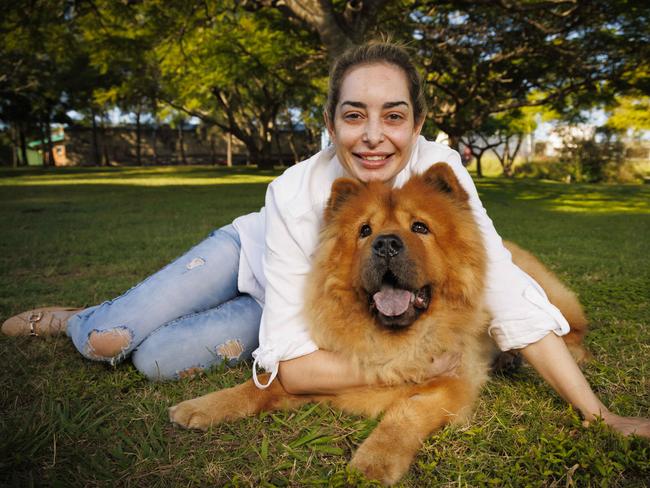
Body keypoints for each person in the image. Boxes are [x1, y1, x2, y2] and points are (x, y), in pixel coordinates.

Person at [3, 41, 648, 437]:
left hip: (298, 303)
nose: (374, 135)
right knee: (107, 340)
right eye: (354, 115)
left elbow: (508, 293)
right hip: (249, 257)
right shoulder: (294, 192)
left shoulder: (441, 178)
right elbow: (295, 366)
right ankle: (76, 317)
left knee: (154, 361)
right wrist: (418, 363)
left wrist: (598, 415)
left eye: (393, 116)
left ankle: (204, 323)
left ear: (417, 123)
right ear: (331, 123)